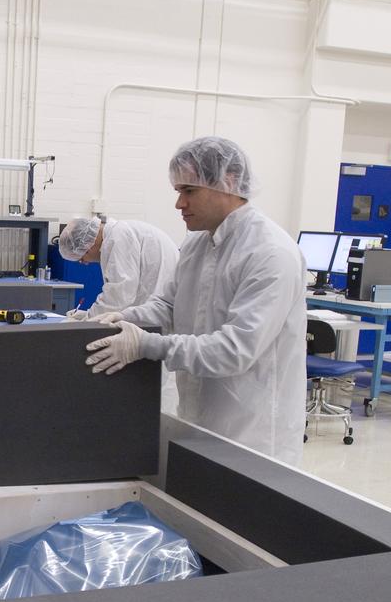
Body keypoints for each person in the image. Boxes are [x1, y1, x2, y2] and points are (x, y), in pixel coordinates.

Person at [82, 136, 306, 465]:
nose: (179, 204)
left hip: (253, 435)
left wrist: (146, 345)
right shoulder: (198, 245)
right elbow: (169, 306)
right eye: (178, 192)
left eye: (189, 191)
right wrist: (124, 317)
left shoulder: (269, 253)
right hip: (198, 418)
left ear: (228, 182)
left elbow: (234, 351)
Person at [56, 217, 179, 320]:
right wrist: (88, 314)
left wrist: (88, 318)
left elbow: (119, 295)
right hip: (159, 305)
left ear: (86, 247)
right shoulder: (117, 234)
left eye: (81, 259)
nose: (85, 263)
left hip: (162, 311)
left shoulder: (117, 238)